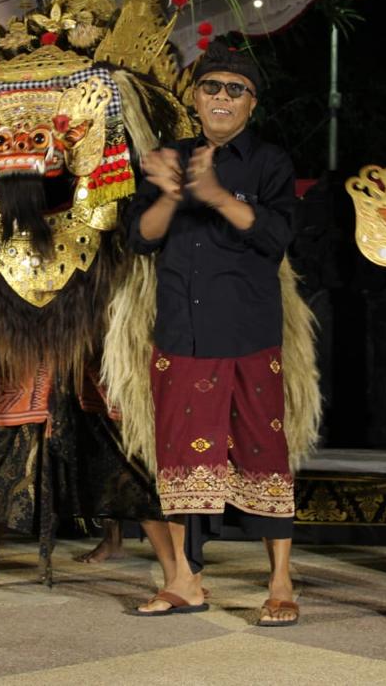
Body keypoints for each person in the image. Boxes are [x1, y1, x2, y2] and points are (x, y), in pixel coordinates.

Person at [130, 42, 301, 625]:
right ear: (194, 97)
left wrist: (217, 196)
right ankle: (185, 580)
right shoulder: (168, 158)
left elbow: (275, 236)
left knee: (263, 452)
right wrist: (177, 193)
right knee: (181, 458)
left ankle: (280, 582)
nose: (222, 98)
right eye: (212, 87)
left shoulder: (270, 162)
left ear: (252, 104)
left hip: (248, 330)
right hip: (182, 330)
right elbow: (142, 236)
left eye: (236, 90)